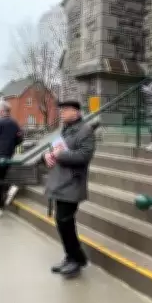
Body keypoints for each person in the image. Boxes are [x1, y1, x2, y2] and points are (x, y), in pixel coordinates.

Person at [44, 100, 96, 279]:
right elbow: (55, 148)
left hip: (72, 182)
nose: (62, 113)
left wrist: (60, 155)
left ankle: (77, 259)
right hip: (61, 181)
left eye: (66, 110)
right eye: (61, 110)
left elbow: (84, 156)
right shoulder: (65, 130)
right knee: (63, 222)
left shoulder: (85, 131)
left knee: (64, 220)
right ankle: (71, 256)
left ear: (77, 112)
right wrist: (47, 155)